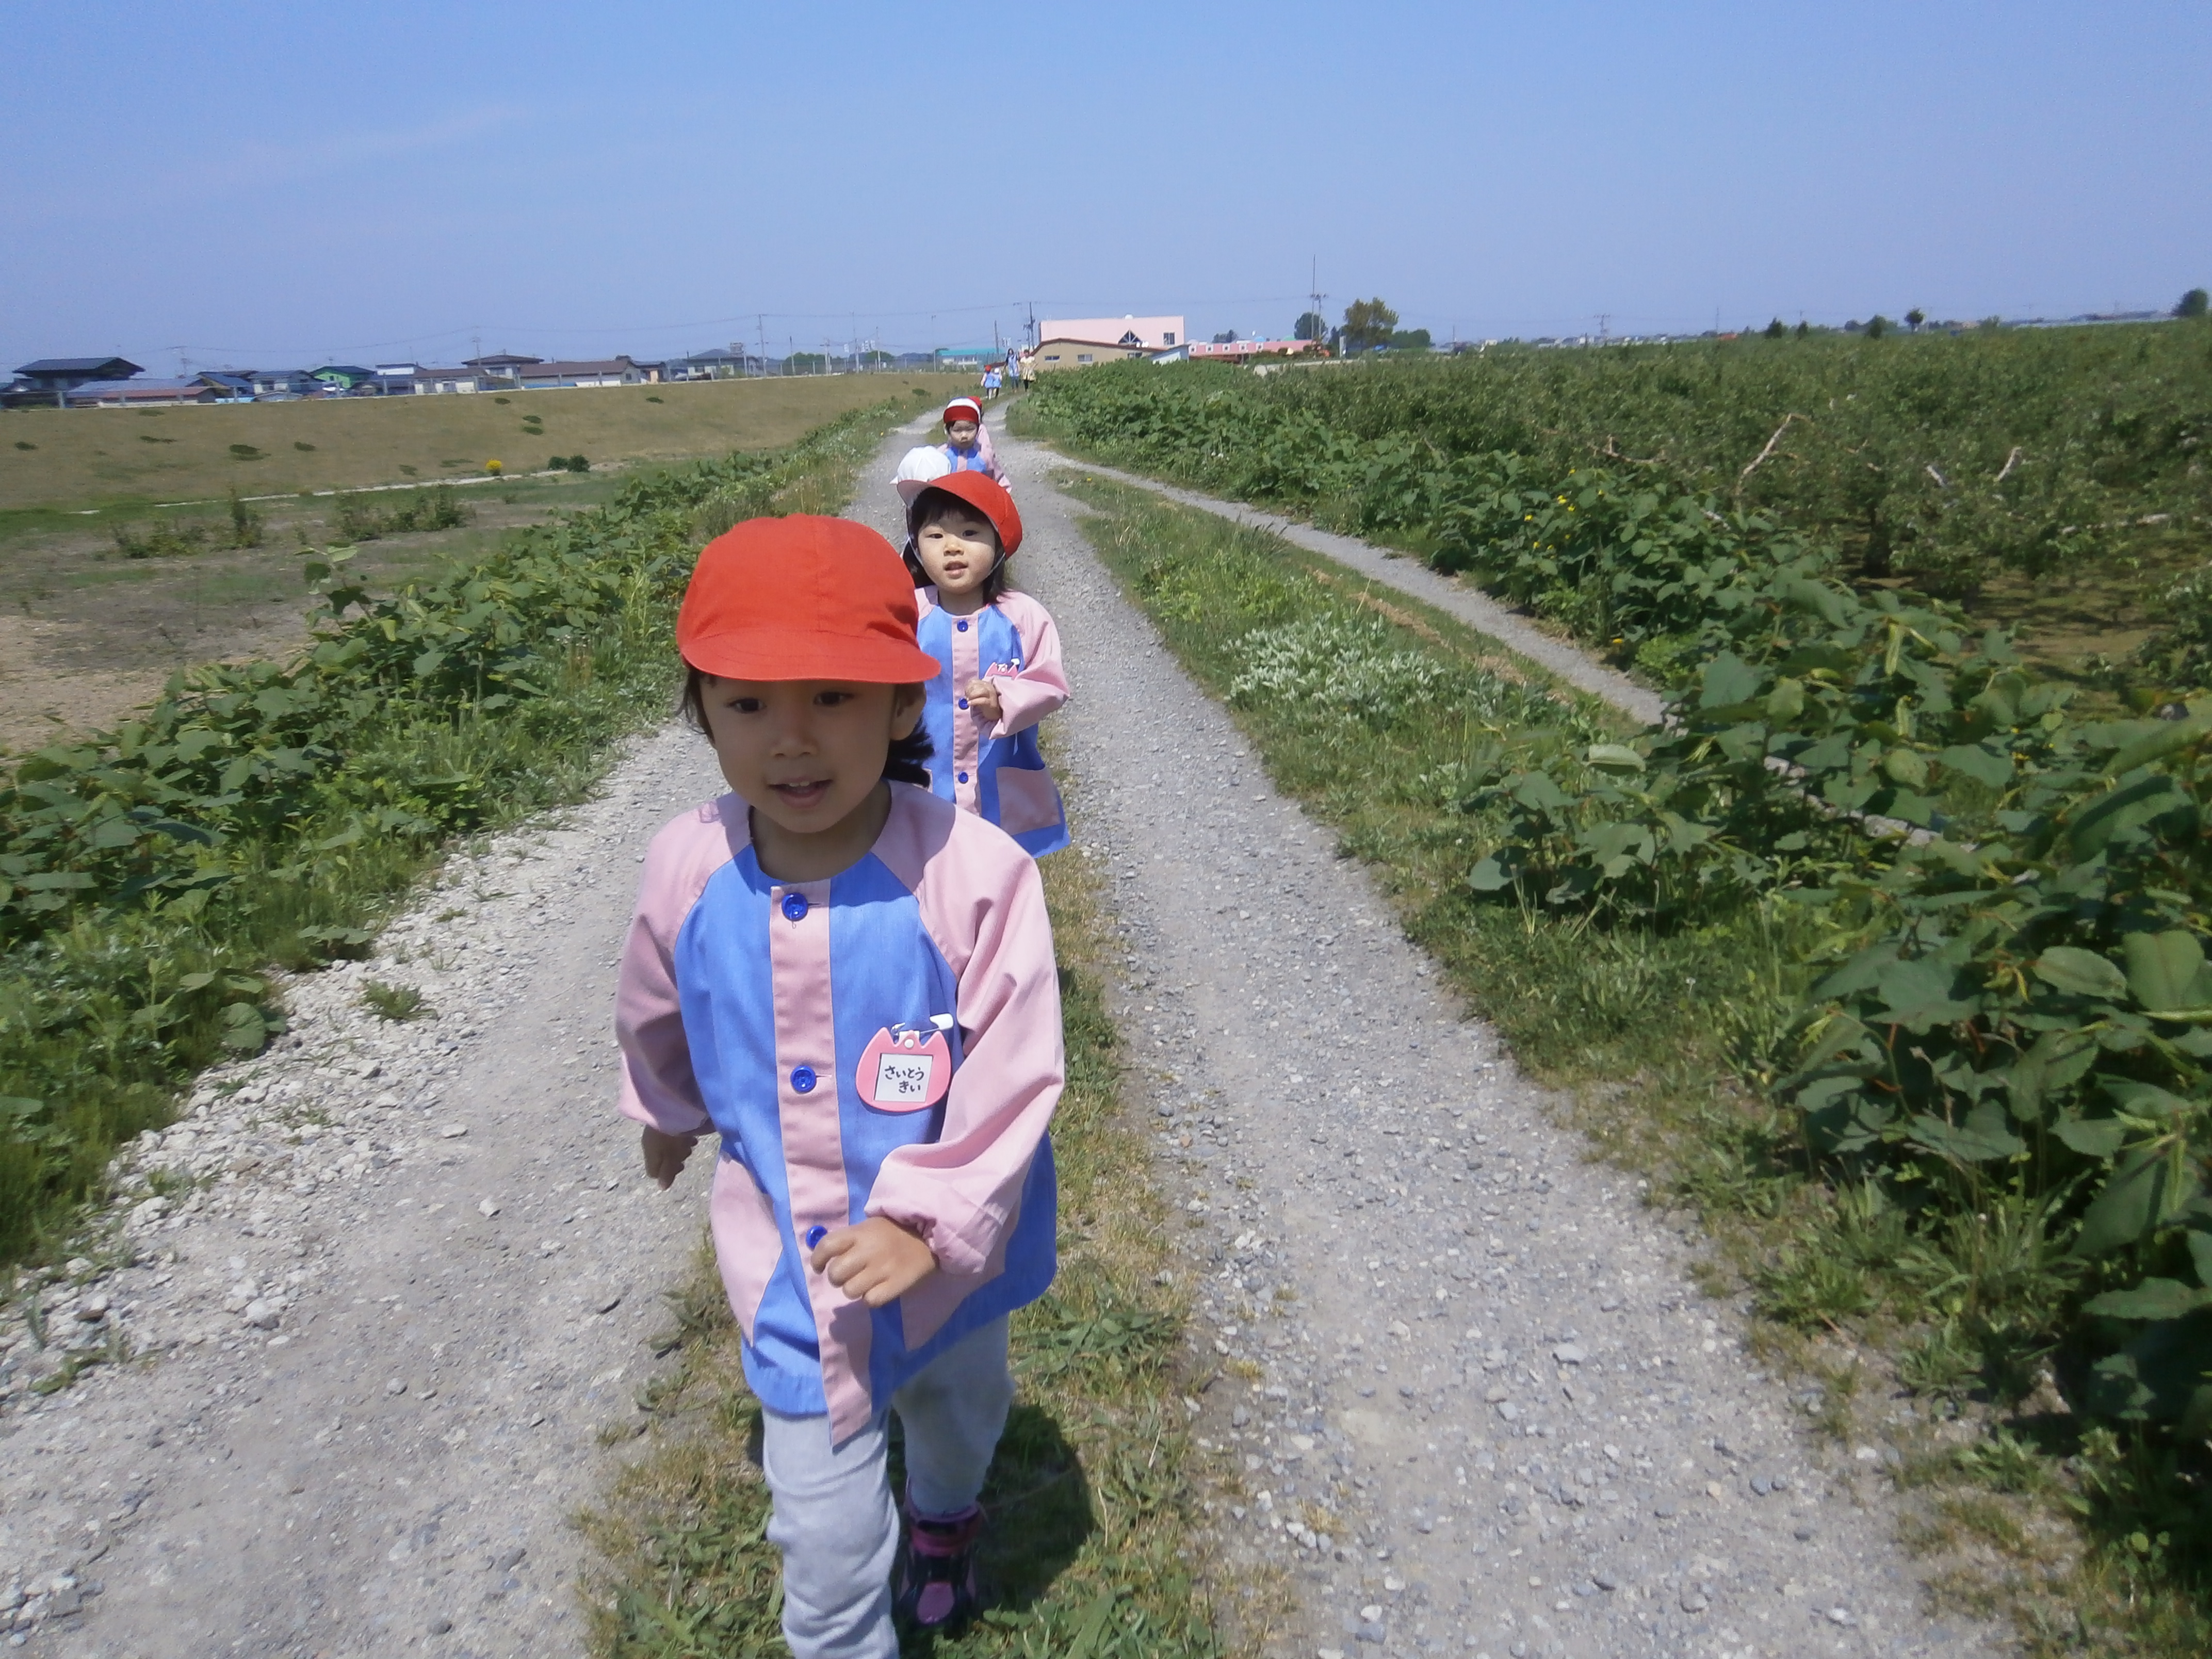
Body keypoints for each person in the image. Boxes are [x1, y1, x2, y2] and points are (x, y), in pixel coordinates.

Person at [616, 514, 1062, 1654]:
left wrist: (927, 1223)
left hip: (948, 1266)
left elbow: (1014, 1073)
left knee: (958, 1415)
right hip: (790, 1264)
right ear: (700, 710)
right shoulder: (687, 865)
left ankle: (944, 1518)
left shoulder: (971, 872)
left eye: (832, 697)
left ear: (903, 705)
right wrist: (665, 1111)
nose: (791, 741)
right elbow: (655, 1003)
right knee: (822, 1544)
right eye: (747, 704)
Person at [897, 470, 1069, 858]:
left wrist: (1004, 700)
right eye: (935, 536)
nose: (952, 547)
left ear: (998, 543)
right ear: (916, 544)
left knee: (998, 869)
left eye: (970, 533)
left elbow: (1049, 683)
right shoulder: (908, 613)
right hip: (925, 781)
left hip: (996, 786)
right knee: (924, 870)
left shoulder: (1022, 616)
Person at [937, 396, 1007, 487]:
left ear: (978, 429)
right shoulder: (941, 455)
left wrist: (1006, 493)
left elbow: (999, 480)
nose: (964, 435)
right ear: (948, 430)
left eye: (970, 429)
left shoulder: (985, 454)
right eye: (957, 430)